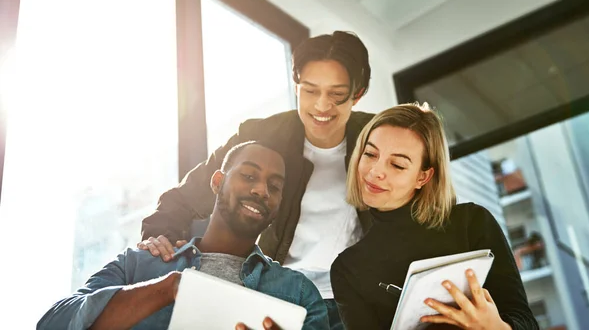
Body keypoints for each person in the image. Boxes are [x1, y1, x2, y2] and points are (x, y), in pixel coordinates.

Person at [138, 31, 374, 329]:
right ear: (296, 85)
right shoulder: (261, 135)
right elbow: (184, 197)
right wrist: (161, 240)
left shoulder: (378, 137)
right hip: (281, 292)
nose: (322, 106)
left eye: (337, 94)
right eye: (311, 91)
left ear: (358, 93)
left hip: (353, 298)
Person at [37, 141, 328, 330]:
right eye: (249, 176)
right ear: (217, 182)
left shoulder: (300, 294)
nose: (262, 190)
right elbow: (52, 324)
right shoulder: (138, 265)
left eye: (274, 187)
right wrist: (166, 290)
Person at [330, 103, 539, 330]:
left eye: (397, 165)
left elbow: (525, 320)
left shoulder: (473, 223)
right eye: (370, 154)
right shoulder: (348, 269)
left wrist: (497, 327)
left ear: (423, 177)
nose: (375, 171)